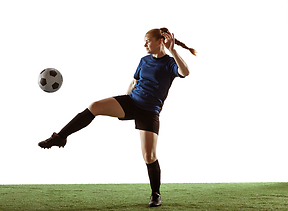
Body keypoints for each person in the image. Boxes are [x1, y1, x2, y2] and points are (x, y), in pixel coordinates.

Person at [38, 27, 196, 207]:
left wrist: (173, 50)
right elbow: (134, 81)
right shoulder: (144, 60)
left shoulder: (169, 63)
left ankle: (155, 194)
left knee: (149, 156)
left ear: (160, 41)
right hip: (131, 102)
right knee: (95, 106)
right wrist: (123, 101)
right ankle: (60, 137)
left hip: (149, 111)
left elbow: (185, 72)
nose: (145, 44)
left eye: (148, 41)